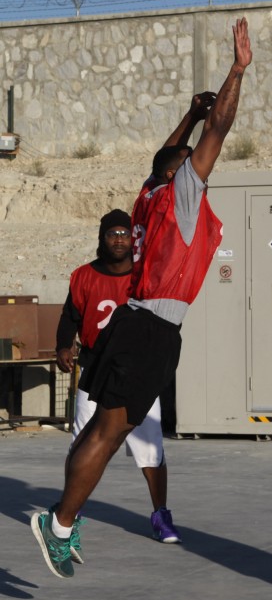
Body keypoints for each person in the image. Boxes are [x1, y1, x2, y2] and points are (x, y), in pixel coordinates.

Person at [32, 17, 252, 578]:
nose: (198, 166)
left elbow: (166, 152)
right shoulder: (180, 193)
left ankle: (64, 519)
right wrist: (236, 72)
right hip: (150, 327)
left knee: (106, 433)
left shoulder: (149, 195)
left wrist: (188, 115)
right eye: (190, 163)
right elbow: (217, 133)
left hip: (134, 325)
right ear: (181, 174)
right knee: (108, 434)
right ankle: (58, 523)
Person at [55, 208, 181, 553]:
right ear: (102, 238)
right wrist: (63, 345)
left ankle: (160, 514)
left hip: (137, 367)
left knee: (150, 443)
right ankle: (69, 515)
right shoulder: (83, 275)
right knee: (83, 441)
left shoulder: (146, 276)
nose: (120, 240)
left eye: (125, 234)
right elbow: (71, 315)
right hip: (96, 365)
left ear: (134, 238)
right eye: (113, 234)